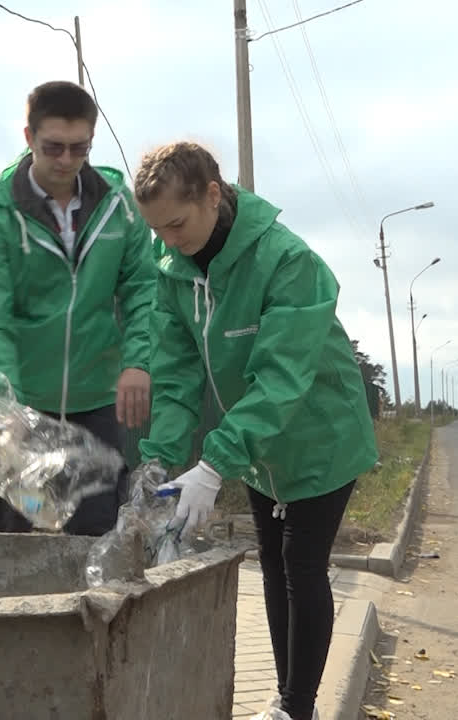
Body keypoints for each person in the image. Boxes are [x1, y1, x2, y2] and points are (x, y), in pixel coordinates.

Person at [129, 142, 378, 720]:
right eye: (156, 229)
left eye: (176, 223)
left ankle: (296, 706)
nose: (167, 239)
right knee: (270, 563)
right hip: (259, 449)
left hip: (320, 436)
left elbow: (281, 379)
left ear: (212, 195)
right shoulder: (175, 274)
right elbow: (174, 378)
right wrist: (159, 462)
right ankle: (291, 699)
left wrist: (215, 465)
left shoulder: (289, 263)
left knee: (302, 564)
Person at [0, 80, 158, 536]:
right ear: (28, 137)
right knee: (8, 544)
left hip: (96, 405)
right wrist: (6, 402)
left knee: (95, 538)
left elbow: (143, 290)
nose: (67, 161)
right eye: (53, 148)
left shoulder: (120, 209)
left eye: (79, 149)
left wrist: (138, 362)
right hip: (21, 408)